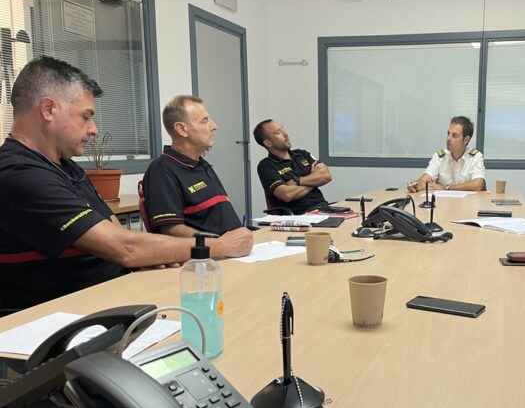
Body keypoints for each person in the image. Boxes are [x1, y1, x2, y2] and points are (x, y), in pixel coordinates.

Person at [0, 57, 253, 309]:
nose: (94, 129)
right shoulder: (17, 173)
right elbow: (125, 248)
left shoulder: (66, 167)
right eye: (86, 117)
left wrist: (156, 253)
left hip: (113, 293)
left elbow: (120, 236)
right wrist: (219, 246)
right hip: (64, 313)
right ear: (48, 109)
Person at [142, 96, 242, 236]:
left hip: (237, 244)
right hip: (214, 248)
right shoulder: (162, 170)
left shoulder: (201, 164)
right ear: (182, 129)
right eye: (204, 121)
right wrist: (220, 244)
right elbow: (171, 230)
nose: (214, 126)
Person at [253, 119, 332, 214]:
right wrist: (314, 180)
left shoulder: (302, 154)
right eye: (278, 133)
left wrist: (297, 181)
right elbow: (286, 194)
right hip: (299, 216)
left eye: (283, 129)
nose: (285, 134)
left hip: (323, 209)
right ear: (268, 143)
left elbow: (326, 176)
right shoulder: (266, 166)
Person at [407, 116, 485, 192]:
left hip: (468, 201)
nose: (448, 138)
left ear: (466, 140)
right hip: (443, 201)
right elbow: (425, 179)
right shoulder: (439, 157)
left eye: (454, 135)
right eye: (448, 133)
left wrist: (447, 188)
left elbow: (478, 185)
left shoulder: (475, 157)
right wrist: (416, 185)